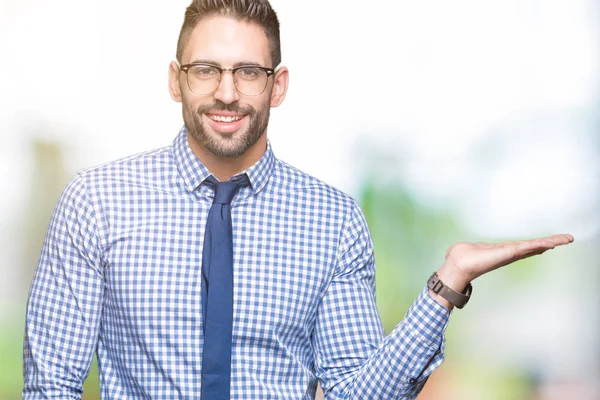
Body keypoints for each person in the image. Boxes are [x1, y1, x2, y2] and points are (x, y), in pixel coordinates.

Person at [22, 0, 573, 399]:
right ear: (176, 80)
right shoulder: (95, 203)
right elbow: (51, 387)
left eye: (248, 72)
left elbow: (358, 393)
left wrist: (446, 284)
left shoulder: (333, 221)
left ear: (277, 85)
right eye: (206, 69)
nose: (227, 91)